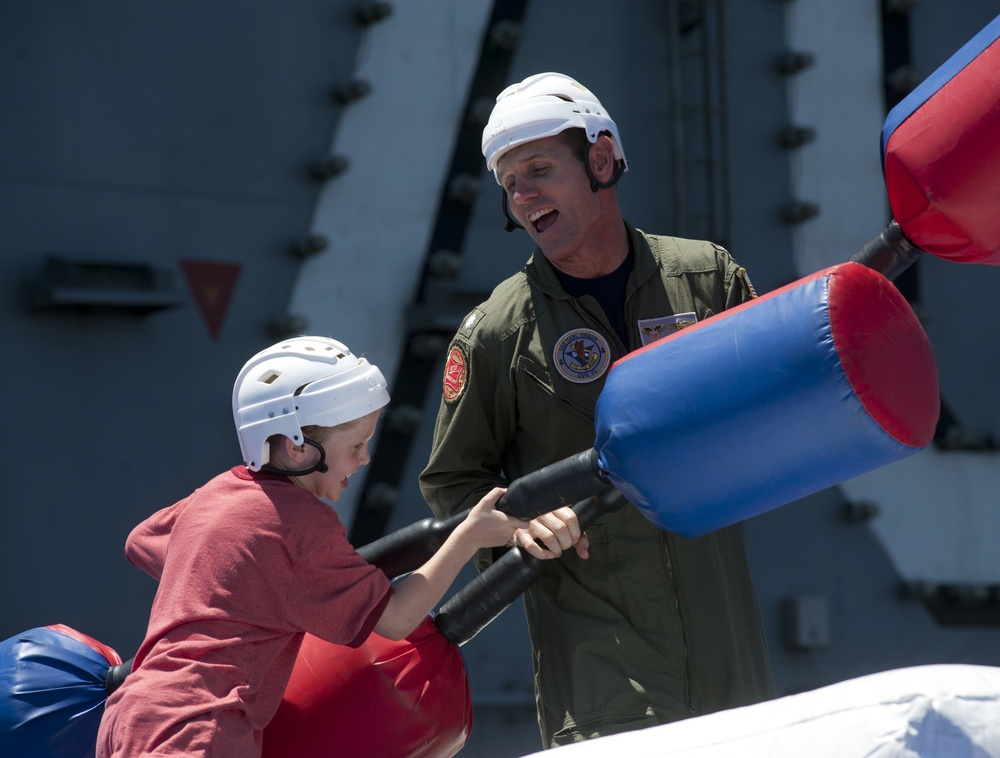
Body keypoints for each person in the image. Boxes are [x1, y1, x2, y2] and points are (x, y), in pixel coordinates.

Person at [419, 72, 775, 747]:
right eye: (510, 183)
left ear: (603, 159)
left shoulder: (708, 279)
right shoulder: (498, 330)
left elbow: (768, 415)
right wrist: (521, 523)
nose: (523, 195)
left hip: (733, 673)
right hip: (605, 681)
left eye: (539, 170)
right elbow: (452, 488)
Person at [97, 336, 570, 757]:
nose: (365, 459)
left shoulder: (220, 494)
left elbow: (142, 540)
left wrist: (235, 584)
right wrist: (469, 536)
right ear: (298, 446)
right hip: (202, 729)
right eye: (356, 444)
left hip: (132, 715)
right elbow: (398, 619)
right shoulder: (298, 524)